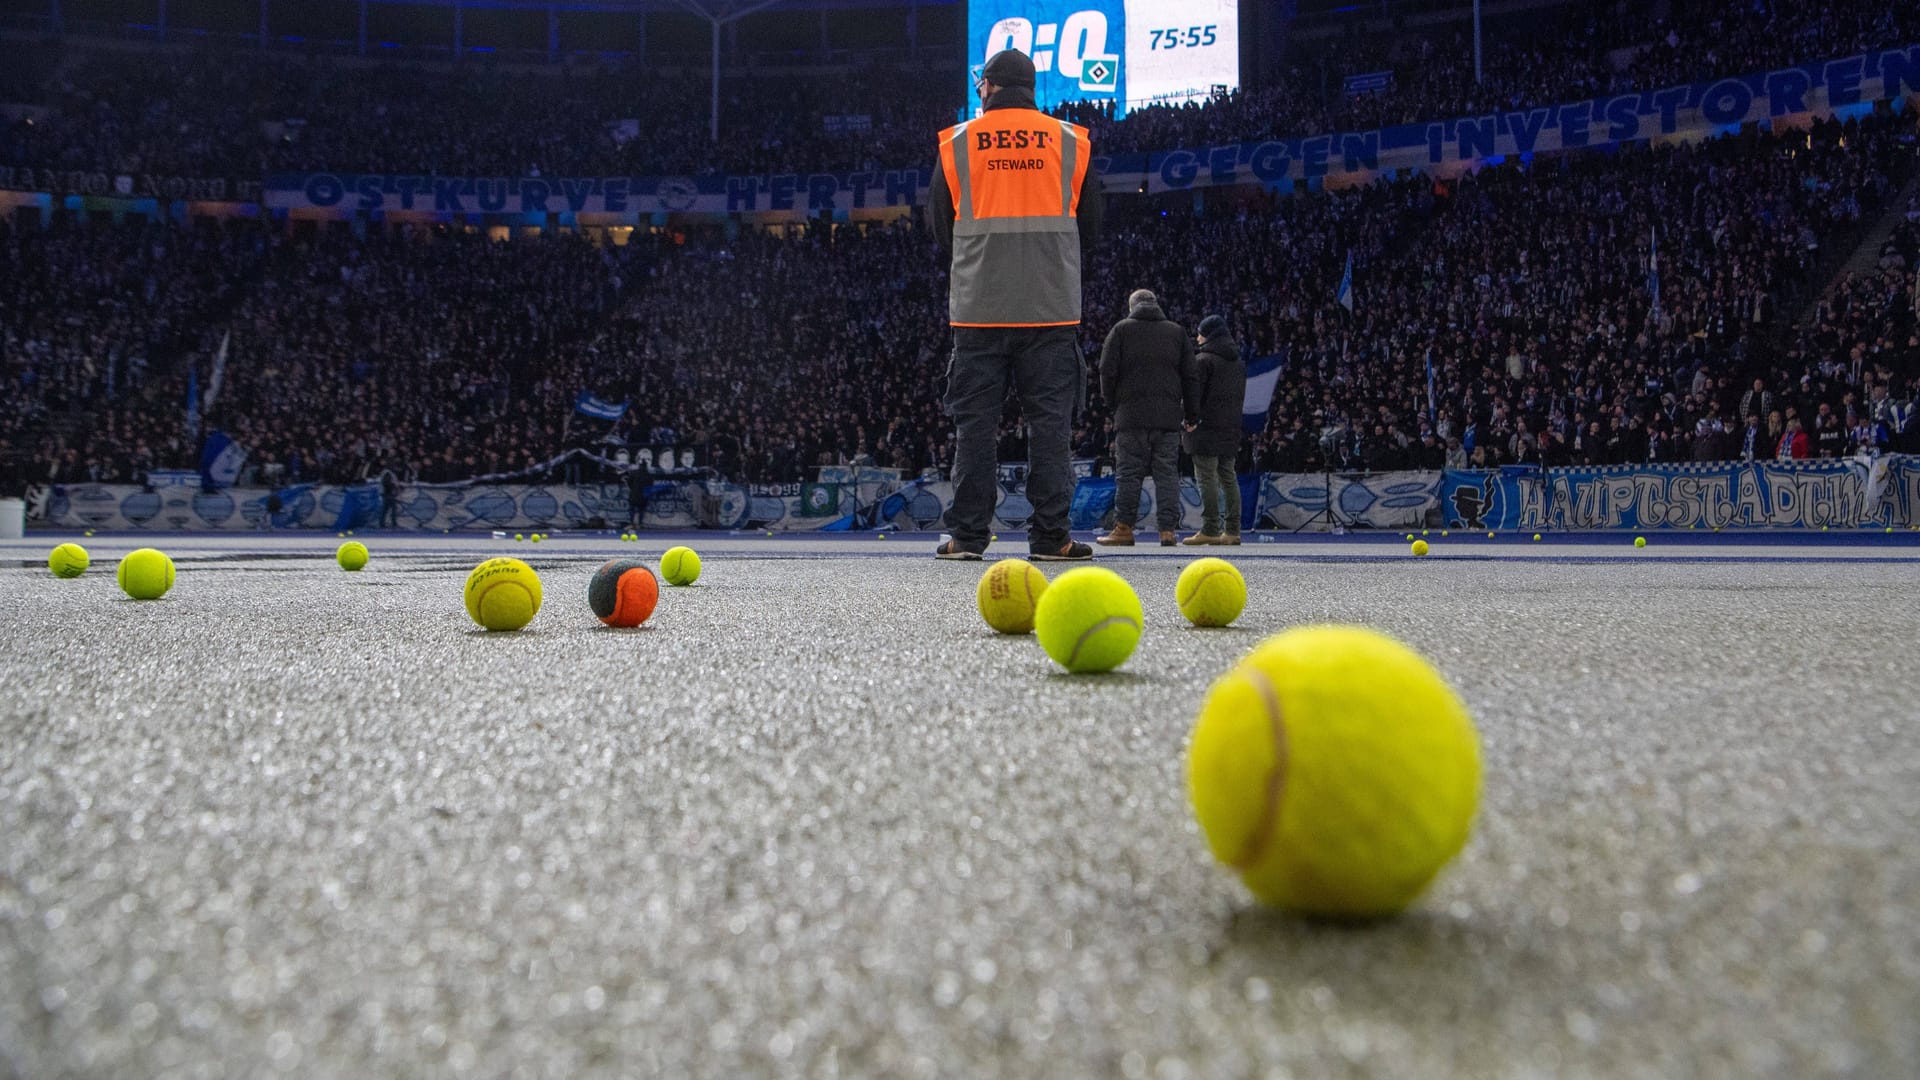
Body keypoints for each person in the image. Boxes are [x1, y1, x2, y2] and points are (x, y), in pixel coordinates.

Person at [929, 47, 1102, 562]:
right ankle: (1051, 539)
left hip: (978, 309)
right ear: (1031, 88)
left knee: (975, 427)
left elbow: (942, 230)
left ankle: (967, 538)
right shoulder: (1070, 142)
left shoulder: (958, 143)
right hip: (1050, 310)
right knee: (1050, 427)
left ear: (989, 86)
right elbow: (1089, 229)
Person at [1094, 289, 1193, 546]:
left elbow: (1106, 370)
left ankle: (1124, 528)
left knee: (1129, 474)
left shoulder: (1121, 330)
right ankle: (1168, 531)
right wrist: (1191, 413)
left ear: (1132, 307)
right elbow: (1191, 376)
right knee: (1167, 474)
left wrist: (1112, 403)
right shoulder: (1176, 332)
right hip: (1168, 418)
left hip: (1131, 416)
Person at [1181, 314, 1245, 545]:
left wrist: (1189, 419)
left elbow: (1194, 396)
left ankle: (1210, 528)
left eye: (1200, 332)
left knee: (1206, 477)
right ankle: (1233, 530)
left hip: (1205, 429)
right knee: (1228, 477)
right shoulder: (1238, 362)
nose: (1197, 337)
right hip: (1230, 428)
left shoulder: (1203, 361)